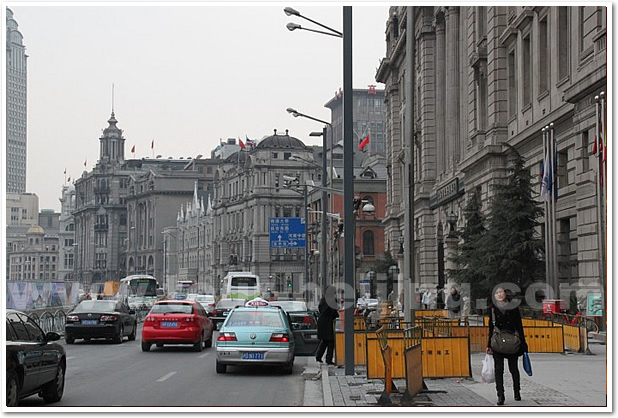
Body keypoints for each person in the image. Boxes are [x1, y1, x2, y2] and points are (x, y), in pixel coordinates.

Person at [486, 287, 528, 406]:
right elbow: (490, 328)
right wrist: (488, 345)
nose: (499, 295)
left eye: (501, 292)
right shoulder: (493, 309)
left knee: (513, 368)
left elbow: (519, 326)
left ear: (505, 294)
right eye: (497, 293)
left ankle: (517, 390)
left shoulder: (513, 307)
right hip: (498, 342)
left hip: (512, 342)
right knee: (499, 370)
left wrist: (523, 342)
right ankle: (500, 394)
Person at [316, 286, 340, 365]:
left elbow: (320, 308)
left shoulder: (323, 299)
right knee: (331, 341)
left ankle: (318, 356)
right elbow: (333, 312)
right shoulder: (332, 300)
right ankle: (328, 359)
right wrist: (337, 315)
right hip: (328, 322)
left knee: (325, 340)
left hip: (321, 321)